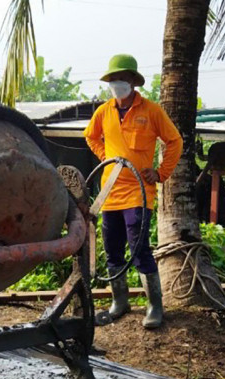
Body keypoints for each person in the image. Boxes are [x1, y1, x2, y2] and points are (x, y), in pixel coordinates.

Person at [83, 54, 183, 329]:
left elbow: (174, 141)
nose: (117, 84)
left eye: (122, 79)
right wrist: (106, 157)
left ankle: (154, 306)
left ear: (133, 82)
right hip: (110, 192)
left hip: (139, 193)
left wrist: (161, 173)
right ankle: (120, 301)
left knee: (139, 248)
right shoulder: (104, 111)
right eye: (113, 79)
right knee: (112, 248)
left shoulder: (151, 111)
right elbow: (90, 136)